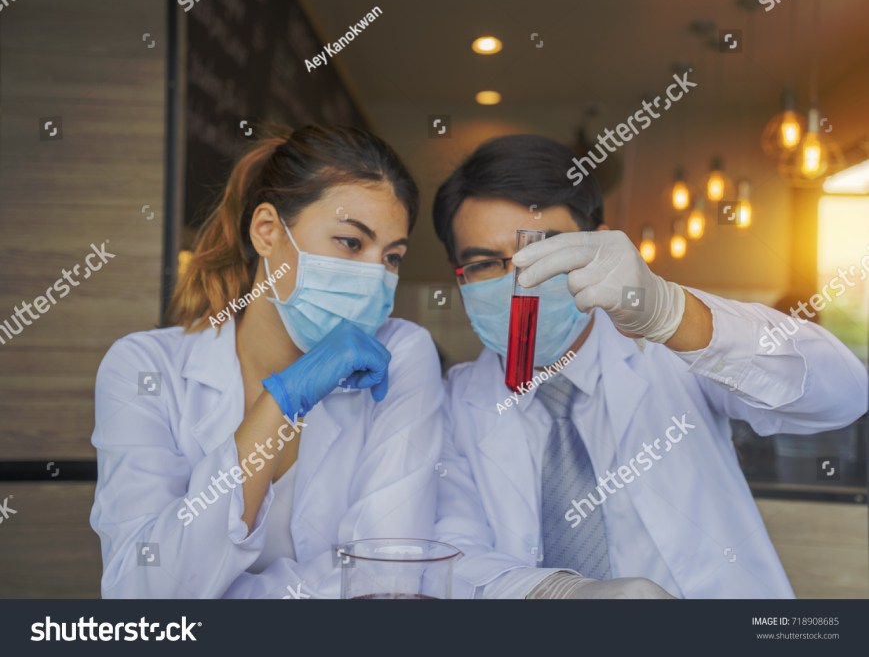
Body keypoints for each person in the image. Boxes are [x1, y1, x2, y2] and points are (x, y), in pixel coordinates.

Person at [431, 134, 867, 599]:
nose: (521, 279)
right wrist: (556, 594)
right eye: (483, 265)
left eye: (542, 252)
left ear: (596, 248)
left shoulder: (671, 349)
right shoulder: (455, 402)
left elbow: (842, 395)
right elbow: (452, 551)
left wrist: (672, 314)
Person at [90, 125, 444, 598]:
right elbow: (143, 590)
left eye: (392, 257)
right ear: (268, 232)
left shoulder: (399, 354)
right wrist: (281, 402)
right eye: (351, 243)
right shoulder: (143, 367)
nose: (374, 276)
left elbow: (385, 577)